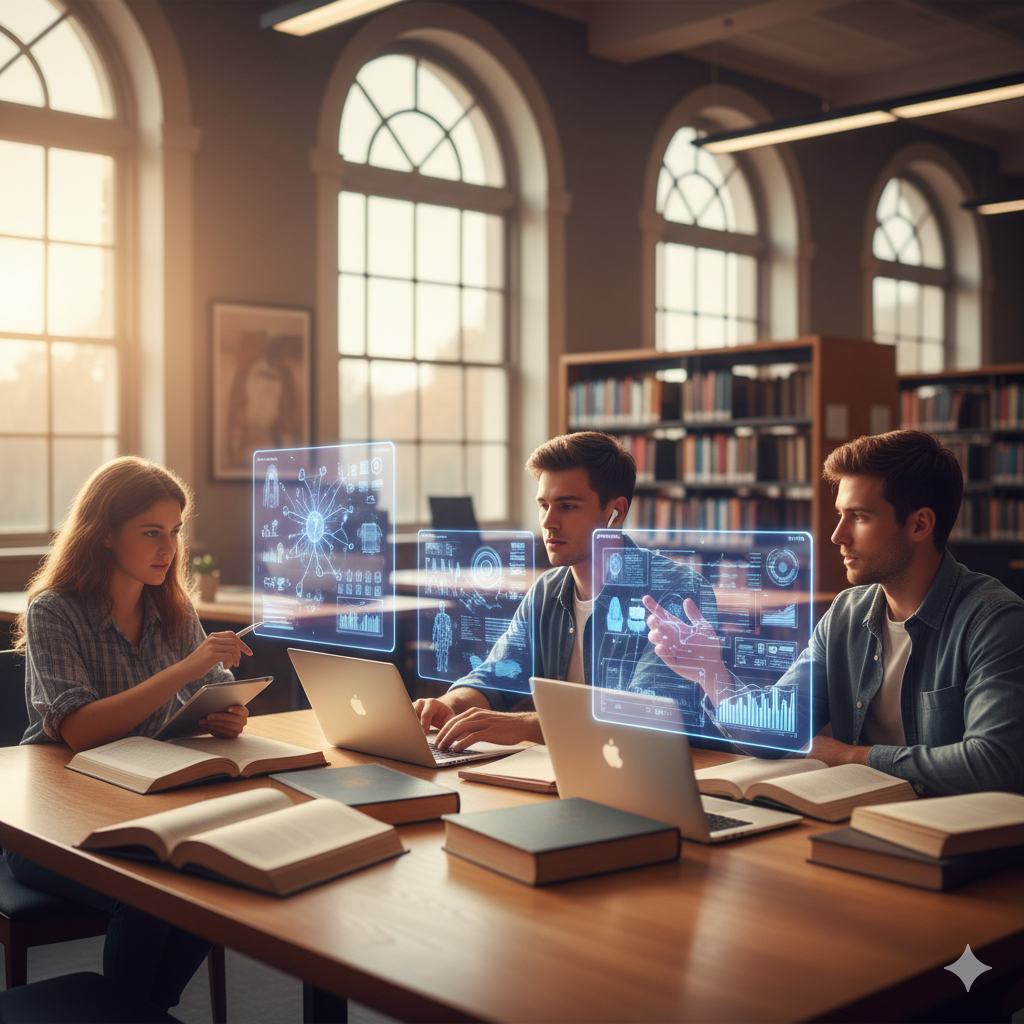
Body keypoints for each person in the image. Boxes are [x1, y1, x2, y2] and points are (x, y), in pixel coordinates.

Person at [645, 430, 1024, 796]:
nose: (837, 535)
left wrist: (850, 757)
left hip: (954, 839)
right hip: (859, 820)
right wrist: (712, 673)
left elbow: (994, 764)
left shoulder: (995, 621)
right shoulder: (846, 613)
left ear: (920, 524)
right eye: (841, 514)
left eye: (858, 516)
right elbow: (782, 728)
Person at [7, 455, 253, 1010]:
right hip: (52, 814)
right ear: (105, 535)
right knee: (151, 896)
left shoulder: (174, 609)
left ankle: (138, 1012)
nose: (168, 549)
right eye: (150, 533)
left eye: (174, 532)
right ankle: (137, 1012)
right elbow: (79, 732)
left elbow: (208, 690)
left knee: (210, 874)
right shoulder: (54, 610)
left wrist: (228, 717)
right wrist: (183, 674)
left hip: (146, 798)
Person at [413, 432, 634, 750]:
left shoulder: (671, 594)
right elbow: (496, 675)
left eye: (567, 506)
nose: (548, 522)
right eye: (543, 505)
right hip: (559, 773)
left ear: (616, 513)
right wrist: (451, 704)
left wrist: (525, 726)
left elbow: (644, 714)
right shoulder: (546, 591)